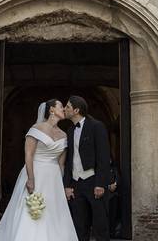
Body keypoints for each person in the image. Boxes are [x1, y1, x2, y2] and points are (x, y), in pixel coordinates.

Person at [0, 99, 78, 241]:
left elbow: (61, 163)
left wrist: (63, 185)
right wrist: (31, 178)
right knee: (31, 210)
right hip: (36, 172)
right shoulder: (36, 129)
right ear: (51, 110)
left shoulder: (64, 135)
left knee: (53, 212)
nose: (63, 109)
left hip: (53, 178)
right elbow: (29, 155)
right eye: (61, 106)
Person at [63, 95, 111, 241]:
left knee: (100, 225)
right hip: (76, 184)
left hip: (93, 182)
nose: (65, 109)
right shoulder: (70, 131)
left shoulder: (97, 126)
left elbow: (103, 157)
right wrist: (68, 185)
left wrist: (100, 184)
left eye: (68, 107)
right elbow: (69, 160)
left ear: (76, 110)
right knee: (79, 226)